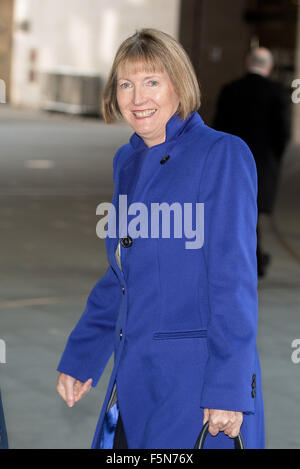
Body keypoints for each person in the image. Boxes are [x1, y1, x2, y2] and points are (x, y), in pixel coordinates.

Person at [56, 28, 265, 449]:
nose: (138, 98)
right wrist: (83, 353)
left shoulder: (221, 154)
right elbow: (122, 274)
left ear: (179, 85)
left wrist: (228, 387)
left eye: (152, 82)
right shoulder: (127, 161)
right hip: (133, 381)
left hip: (195, 389)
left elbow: (233, 280)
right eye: (126, 84)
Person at [213, 47, 291, 277]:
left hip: (235, 160)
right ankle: (253, 258)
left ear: (248, 63)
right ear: (269, 67)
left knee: (239, 210)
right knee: (251, 211)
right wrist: (274, 156)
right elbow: (282, 133)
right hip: (263, 162)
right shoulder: (277, 92)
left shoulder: (230, 90)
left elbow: (218, 128)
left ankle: (252, 256)